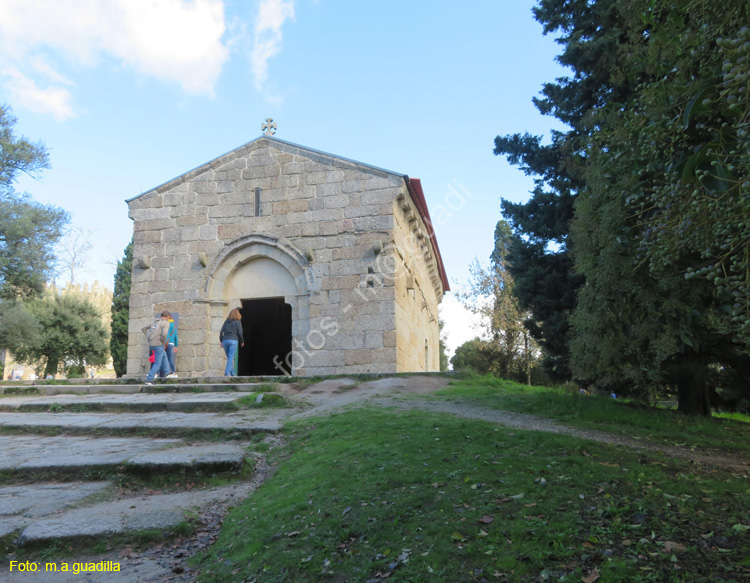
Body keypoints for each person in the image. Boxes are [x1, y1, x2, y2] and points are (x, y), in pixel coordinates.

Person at [142, 310, 171, 385]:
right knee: (157, 363)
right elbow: (164, 334)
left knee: (164, 354)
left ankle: (167, 373)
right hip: (158, 344)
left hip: (152, 344)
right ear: (167, 317)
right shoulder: (165, 323)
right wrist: (163, 342)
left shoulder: (154, 322)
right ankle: (149, 380)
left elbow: (143, 328)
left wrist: (148, 336)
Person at [219, 308, 244, 376]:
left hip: (225, 340)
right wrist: (242, 341)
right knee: (230, 357)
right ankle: (227, 372)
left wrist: (221, 340)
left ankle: (232, 373)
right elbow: (240, 332)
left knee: (229, 357)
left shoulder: (226, 321)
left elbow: (221, 331)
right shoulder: (238, 322)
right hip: (233, 340)